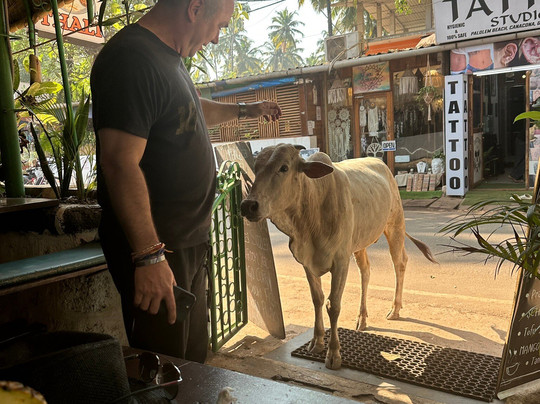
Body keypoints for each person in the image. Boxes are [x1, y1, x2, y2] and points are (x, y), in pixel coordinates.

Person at [90, 0, 281, 363]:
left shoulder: (169, 59)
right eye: (219, 26)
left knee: (192, 364)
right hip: (158, 249)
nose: (216, 38)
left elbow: (191, 109)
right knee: (164, 367)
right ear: (194, 9)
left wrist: (245, 110)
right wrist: (149, 256)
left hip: (185, 243)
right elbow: (119, 162)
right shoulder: (131, 58)